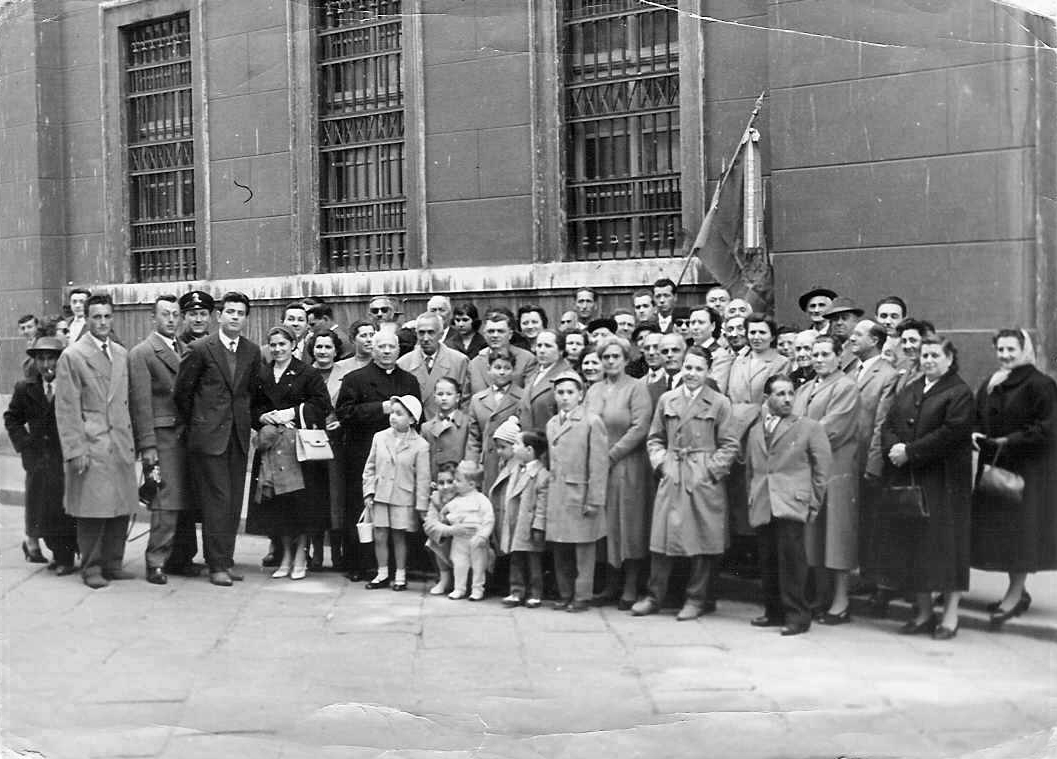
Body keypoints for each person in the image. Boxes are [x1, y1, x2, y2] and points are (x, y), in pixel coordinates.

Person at [877, 336, 973, 640]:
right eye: (925, 355)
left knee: (947, 549)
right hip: (910, 479)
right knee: (915, 546)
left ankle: (950, 617)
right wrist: (894, 448)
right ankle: (922, 613)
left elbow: (952, 433)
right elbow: (889, 423)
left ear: (949, 359)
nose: (929, 360)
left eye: (935, 355)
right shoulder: (912, 388)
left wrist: (911, 451)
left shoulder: (959, 393)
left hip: (943, 483)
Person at [633, 346, 739, 620]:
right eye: (688, 368)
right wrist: (661, 464)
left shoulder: (719, 402)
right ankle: (655, 596)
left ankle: (696, 598)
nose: (691, 373)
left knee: (703, 539)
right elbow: (654, 437)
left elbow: (729, 444)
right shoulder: (668, 399)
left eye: (698, 369)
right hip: (673, 472)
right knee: (662, 538)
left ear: (707, 372)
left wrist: (711, 471)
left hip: (702, 475)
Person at [970, 329, 1057, 626]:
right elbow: (978, 416)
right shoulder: (993, 382)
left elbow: (1048, 428)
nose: (1005, 355)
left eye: (1011, 350)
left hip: (1027, 471)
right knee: (1004, 534)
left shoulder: (1041, 385)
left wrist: (1009, 440)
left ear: (1025, 350)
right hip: (996, 468)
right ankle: (1016, 592)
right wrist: (975, 433)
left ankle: (1015, 592)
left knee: (1020, 535)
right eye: (1001, 350)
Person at [173, 291, 260, 587]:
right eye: (230, 312)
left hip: (237, 437)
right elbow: (182, 393)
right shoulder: (200, 348)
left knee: (234, 502)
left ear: (246, 319)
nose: (235, 317)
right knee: (217, 502)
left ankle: (227, 559)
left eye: (241, 313)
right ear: (219, 316)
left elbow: (251, 392)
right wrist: (201, 424)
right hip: (209, 439)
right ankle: (216, 565)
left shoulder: (251, 351)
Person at [54, 294, 138, 589]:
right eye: (96, 317)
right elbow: (66, 409)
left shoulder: (121, 353)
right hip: (92, 442)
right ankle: (91, 566)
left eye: (107, 316)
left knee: (120, 507)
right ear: (86, 319)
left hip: (119, 440)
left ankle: (113, 563)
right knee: (92, 510)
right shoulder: (73, 356)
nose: (102, 322)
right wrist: (75, 450)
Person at [746, 375, 832, 636]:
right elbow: (751, 469)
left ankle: (798, 616)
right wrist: (751, 497)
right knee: (768, 558)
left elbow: (822, 468)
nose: (786, 399)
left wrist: (814, 501)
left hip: (792, 501)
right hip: (763, 500)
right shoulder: (755, 430)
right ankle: (773, 612)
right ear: (767, 398)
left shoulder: (809, 427)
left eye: (790, 393)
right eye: (780, 394)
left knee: (792, 560)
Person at [335, 326, 421, 582]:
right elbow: (345, 414)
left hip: (401, 456)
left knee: (398, 510)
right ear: (372, 349)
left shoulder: (409, 380)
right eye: (381, 346)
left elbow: (418, 417)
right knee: (362, 508)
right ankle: (360, 564)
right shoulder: (355, 379)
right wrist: (380, 408)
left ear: (399, 350)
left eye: (391, 347)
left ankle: (397, 567)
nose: (386, 351)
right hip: (364, 454)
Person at [249, 325, 330, 581]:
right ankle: (284, 555)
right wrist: (261, 416)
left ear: (293, 345)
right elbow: (250, 406)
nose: (277, 349)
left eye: (283, 344)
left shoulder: (307, 372)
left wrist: (293, 413)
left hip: (298, 449)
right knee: (278, 504)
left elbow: (322, 404)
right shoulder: (262, 374)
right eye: (273, 345)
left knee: (301, 503)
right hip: (271, 446)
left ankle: (299, 557)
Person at [128, 295, 199, 584]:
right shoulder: (143, 352)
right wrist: (147, 447)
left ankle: (180, 558)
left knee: (185, 501)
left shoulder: (186, 348)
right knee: (165, 502)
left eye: (175, 315)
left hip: (186, 436)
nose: (171, 320)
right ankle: (155, 560)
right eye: (165, 314)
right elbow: (141, 404)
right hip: (162, 437)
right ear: (153, 318)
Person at [792, 334, 861, 624]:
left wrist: (794, 443)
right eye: (813, 353)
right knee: (814, 535)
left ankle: (841, 601)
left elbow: (832, 428)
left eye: (824, 354)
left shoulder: (845, 387)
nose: (818, 359)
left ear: (838, 357)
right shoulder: (805, 387)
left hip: (836, 469)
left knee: (837, 535)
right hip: (808, 468)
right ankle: (820, 596)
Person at [584, 336, 653, 609]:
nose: (610, 361)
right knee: (606, 523)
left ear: (625, 360)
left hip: (627, 465)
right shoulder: (593, 390)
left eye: (616, 357)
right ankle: (610, 584)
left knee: (628, 524)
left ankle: (631, 586)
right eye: (606, 357)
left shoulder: (636, 388)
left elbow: (640, 427)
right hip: (598, 467)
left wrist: (611, 455)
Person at [4, 336, 78, 575]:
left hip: (62, 456)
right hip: (37, 458)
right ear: (34, 361)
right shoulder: (25, 388)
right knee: (40, 506)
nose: (47, 364)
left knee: (62, 507)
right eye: (41, 359)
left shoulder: (70, 386)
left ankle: (64, 555)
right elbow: (12, 418)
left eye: (52, 359)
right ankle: (45, 548)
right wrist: (24, 444)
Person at [545, 370, 608, 612]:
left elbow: (599, 464)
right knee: (560, 548)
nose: (564, 397)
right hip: (557, 494)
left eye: (570, 392)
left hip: (580, 494)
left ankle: (582, 596)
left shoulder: (592, 422)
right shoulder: (552, 423)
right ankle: (564, 593)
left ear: (580, 394)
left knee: (583, 550)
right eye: (560, 392)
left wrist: (594, 499)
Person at [361, 394, 431, 591]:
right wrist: (369, 492)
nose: (393, 417)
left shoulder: (420, 445)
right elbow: (370, 467)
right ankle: (381, 573)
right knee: (380, 534)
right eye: (392, 412)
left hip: (403, 496)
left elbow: (423, 479)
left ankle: (400, 575)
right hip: (381, 495)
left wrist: (421, 506)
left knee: (399, 536)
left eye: (399, 414)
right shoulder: (380, 437)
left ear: (411, 419)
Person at [311, 331, 357, 571]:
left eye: (328, 347)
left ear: (336, 350)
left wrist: (341, 421)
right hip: (311, 441)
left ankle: (337, 552)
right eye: (318, 346)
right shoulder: (305, 373)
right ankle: (317, 552)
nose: (322, 351)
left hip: (338, 442)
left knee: (336, 496)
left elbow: (350, 404)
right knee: (316, 496)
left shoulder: (346, 375)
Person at [499, 429, 549, 608]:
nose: (513, 447)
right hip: (516, 523)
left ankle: (535, 593)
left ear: (529, 450)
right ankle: (516, 590)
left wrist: (539, 526)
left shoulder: (542, 476)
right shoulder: (517, 469)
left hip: (529, 526)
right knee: (516, 558)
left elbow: (542, 505)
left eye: (517, 444)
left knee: (534, 561)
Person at [466, 349, 525, 492]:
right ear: (489, 369)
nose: (502, 372)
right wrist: (472, 463)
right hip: (486, 463)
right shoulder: (478, 400)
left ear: (514, 370)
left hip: (511, 461)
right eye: (497, 367)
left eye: (507, 368)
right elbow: (473, 437)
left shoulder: (522, 397)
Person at [438, 461, 494, 601]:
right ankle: (459, 588)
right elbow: (444, 512)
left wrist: (483, 535)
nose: (455, 483)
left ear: (471, 484)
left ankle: (477, 589)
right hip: (459, 539)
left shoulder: (481, 500)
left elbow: (489, 518)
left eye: (458, 480)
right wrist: (447, 518)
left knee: (478, 565)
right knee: (459, 564)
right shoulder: (456, 500)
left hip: (476, 539)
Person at [398, 312, 471, 419]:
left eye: (431, 332)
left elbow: (466, 402)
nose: (426, 338)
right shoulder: (403, 363)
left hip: (449, 427)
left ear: (441, 334)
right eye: (421, 333)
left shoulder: (459, 361)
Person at [468, 312, 538, 393]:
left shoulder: (527, 359)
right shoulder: (475, 364)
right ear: (484, 334)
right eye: (491, 331)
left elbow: (529, 395)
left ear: (510, 334)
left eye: (500, 331)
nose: (495, 335)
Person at [518, 329, 570, 431]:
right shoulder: (535, 372)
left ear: (561, 350)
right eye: (539, 345)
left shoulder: (567, 377)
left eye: (548, 346)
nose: (541, 350)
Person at [420, 376, 471, 481]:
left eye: (449, 394)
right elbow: (423, 459)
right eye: (440, 394)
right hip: (436, 480)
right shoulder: (427, 427)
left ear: (457, 397)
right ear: (434, 397)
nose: (444, 398)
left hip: (459, 479)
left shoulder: (467, 424)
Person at [422, 462, 458, 595]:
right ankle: (445, 579)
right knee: (434, 539)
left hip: (467, 549)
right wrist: (448, 530)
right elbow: (429, 525)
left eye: (450, 482)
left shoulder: (465, 498)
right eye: (441, 483)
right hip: (448, 541)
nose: (445, 487)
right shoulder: (436, 499)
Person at [821, 297, 864, 372]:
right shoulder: (825, 349)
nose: (839, 323)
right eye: (835, 319)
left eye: (844, 318)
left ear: (856, 321)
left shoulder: (863, 348)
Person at [893, 318, 934, 393]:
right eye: (904, 341)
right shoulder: (908, 367)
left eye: (913, 340)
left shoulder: (933, 372)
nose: (907, 346)